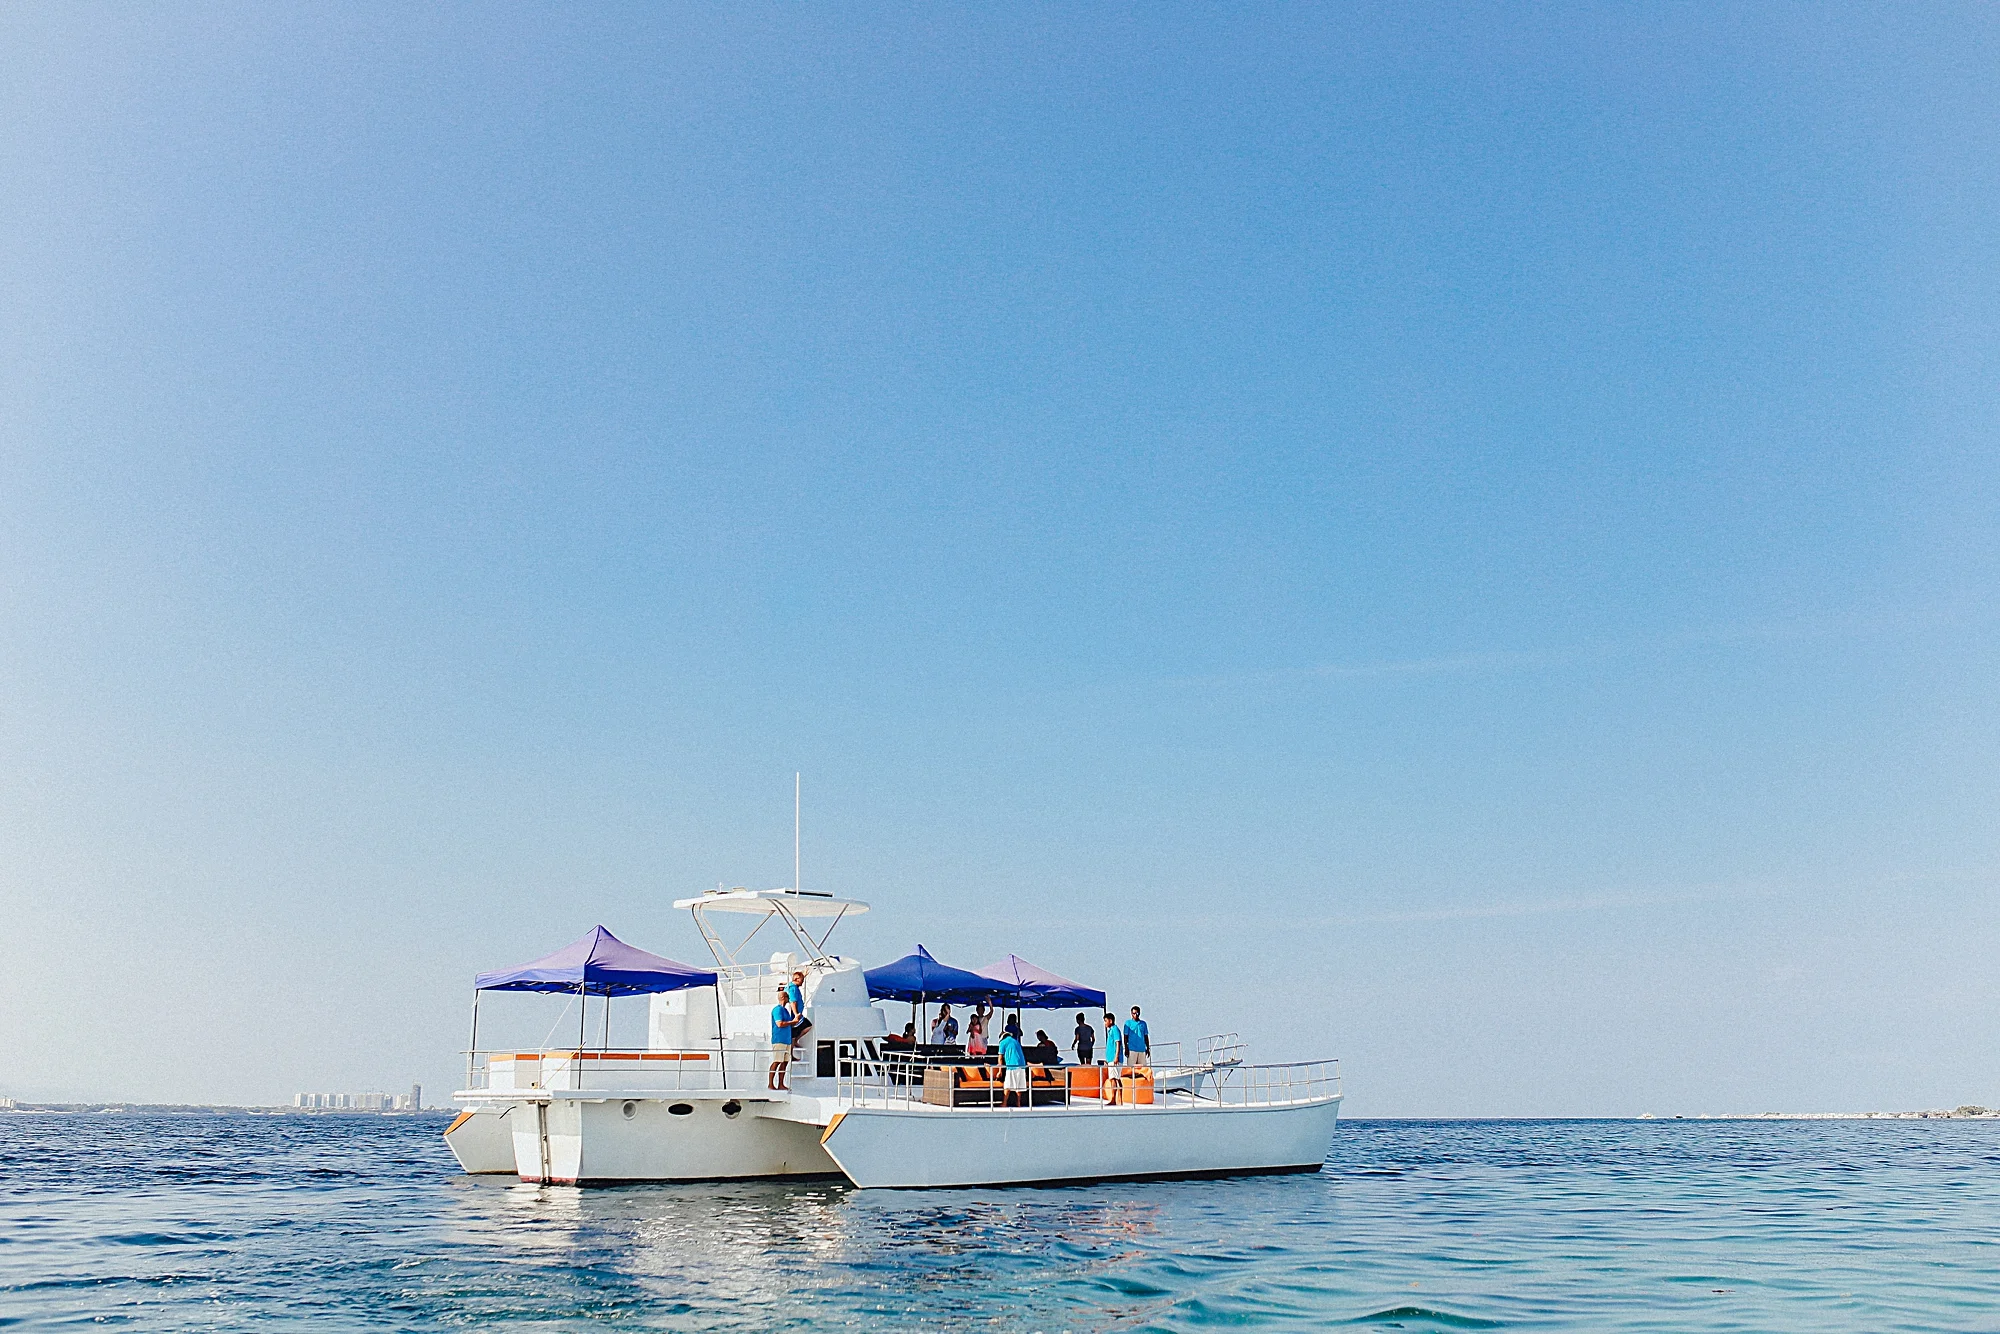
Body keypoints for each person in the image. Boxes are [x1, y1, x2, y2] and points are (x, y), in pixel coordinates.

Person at [769, 986, 798, 1091]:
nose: (788, 999)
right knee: (777, 1061)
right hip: (779, 1039)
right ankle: (771, 1084)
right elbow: (779, 1024)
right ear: (783, 998)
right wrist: (792, 1022)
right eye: (787, 997)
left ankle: (781, 1084)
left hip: (787, 1040)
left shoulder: (785, 1010)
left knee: (785, 1062)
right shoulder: (777, 1010)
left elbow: (789, 1024)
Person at [998, 1024, 1028, 1108]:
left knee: (1007, 1085)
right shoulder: (1016, 1041)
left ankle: (1004, 1103)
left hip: (1012, 1065)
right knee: (1019, 1085)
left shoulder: (1003, 1043)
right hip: (1021, 1065)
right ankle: (1018, 1103)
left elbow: (1000, 1058)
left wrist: (1000, 1071)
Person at [787, 971, 812, 1049]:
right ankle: (791, 1052)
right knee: (804, 1027)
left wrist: (803, 974)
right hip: (795, 1016)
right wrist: (796, 1014)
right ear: (797, 979)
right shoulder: (793, 988)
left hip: (796, 1015)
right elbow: (793, 1001)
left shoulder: (792, 986)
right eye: (802, 980)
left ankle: (795, 1042)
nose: (802, 982)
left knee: (797, 1032)